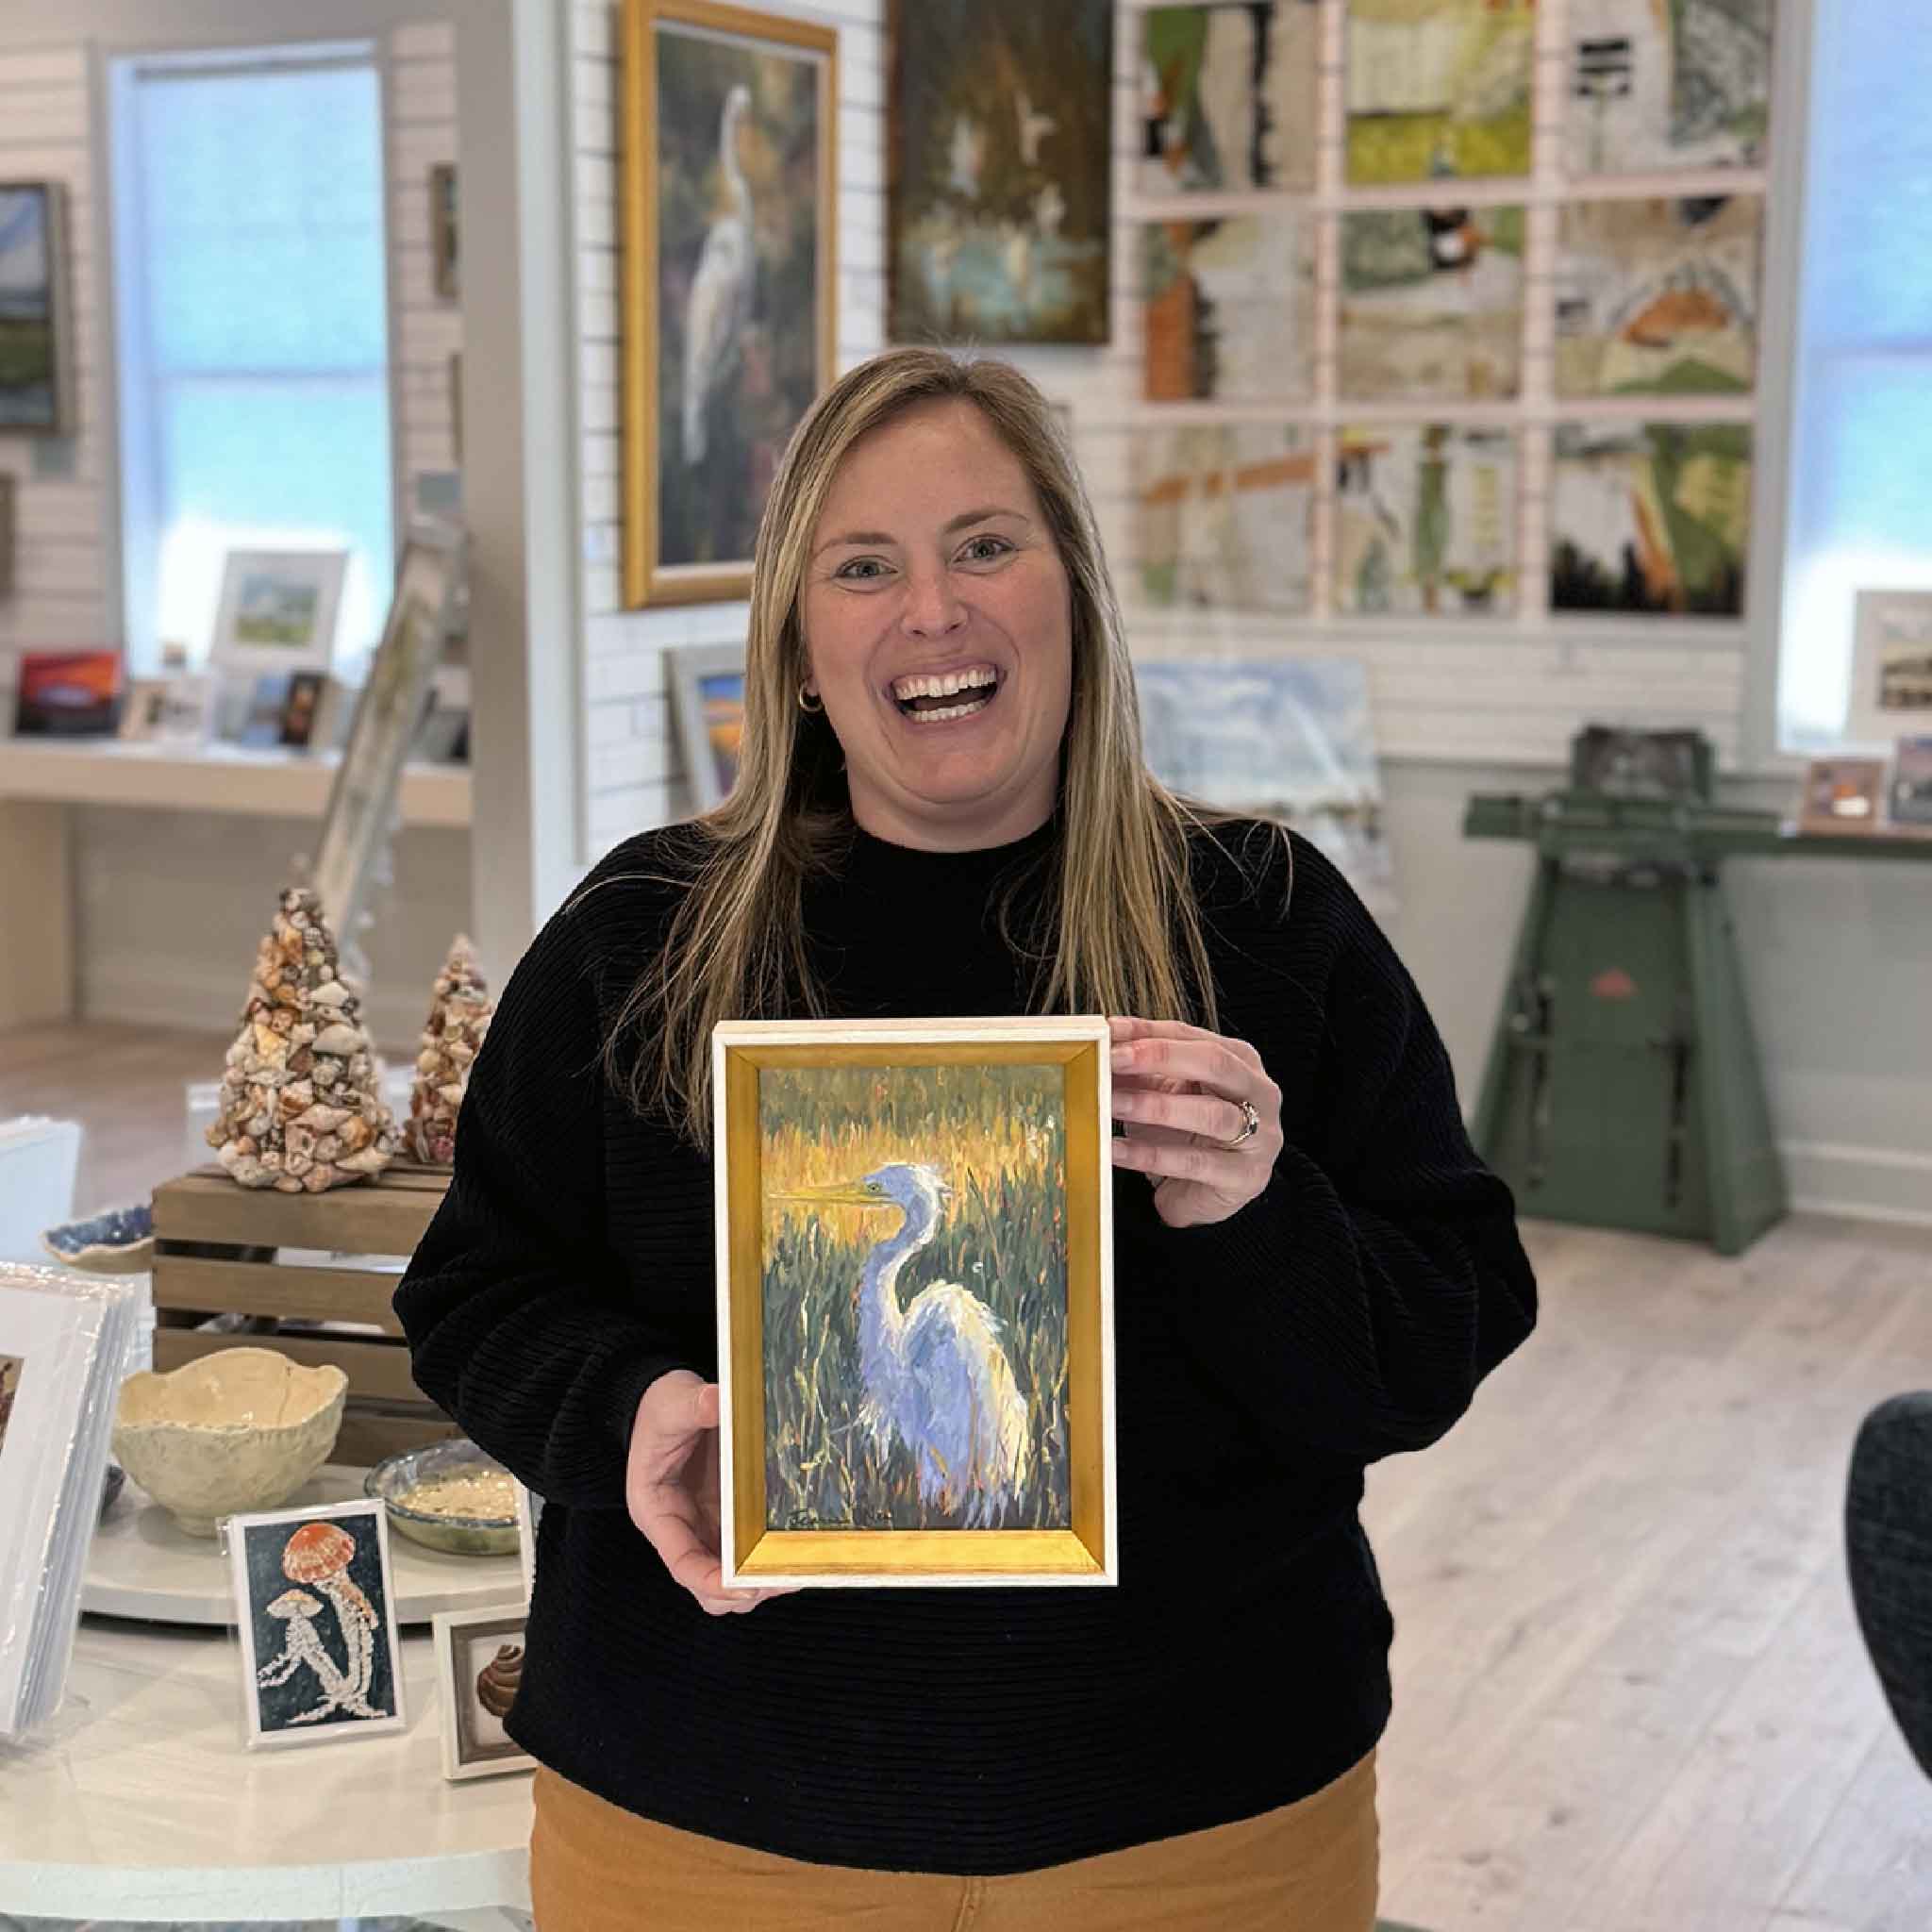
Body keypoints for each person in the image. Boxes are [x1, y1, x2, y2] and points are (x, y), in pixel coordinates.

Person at [394, 347, 1538, 1930]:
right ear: (799, 646)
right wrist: (629, 1413)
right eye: (864, 567)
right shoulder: (641, 938)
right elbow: (473, 1293)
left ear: (1075, 591)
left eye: (985, 546)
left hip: (1202, 1829)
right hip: (710, 1823)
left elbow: (1439, 1332)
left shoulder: (1265, 926)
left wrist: (1262, 1215)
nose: (932, 612)